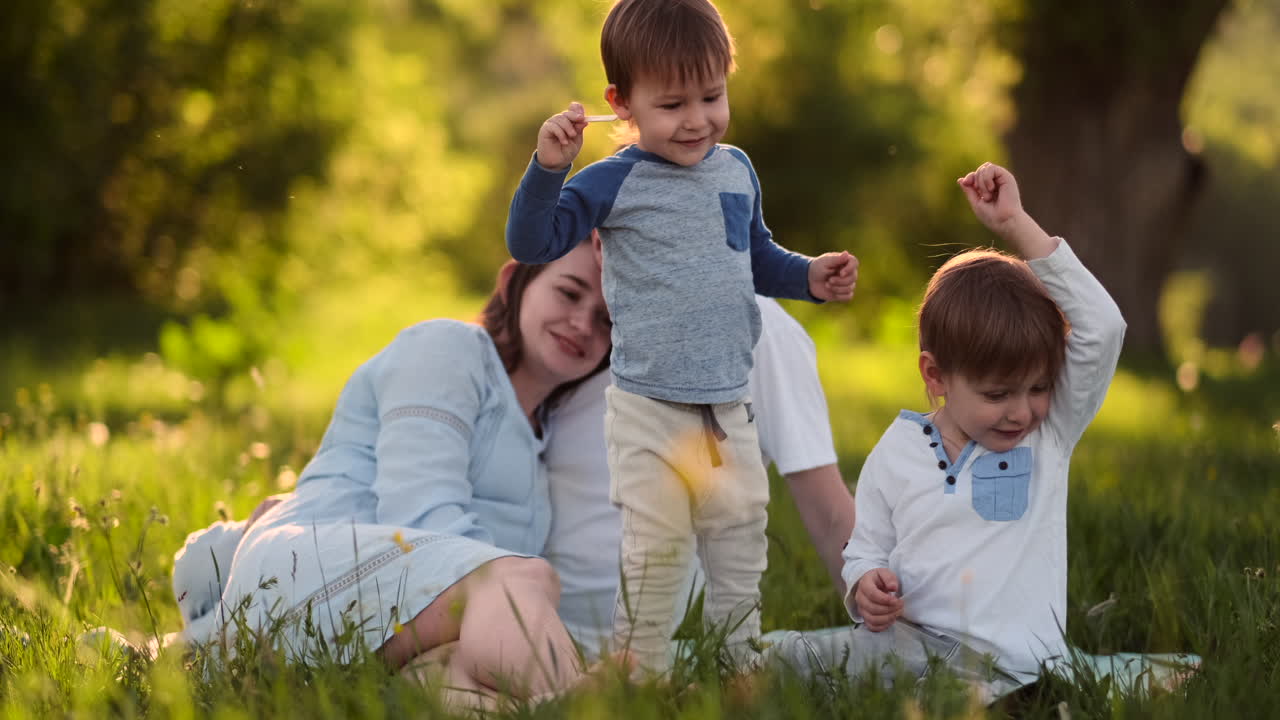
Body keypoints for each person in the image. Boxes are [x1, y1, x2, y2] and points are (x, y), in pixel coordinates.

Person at [505, 0, 857, 670]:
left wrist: (810, 277)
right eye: (672, 105)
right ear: (623, 102)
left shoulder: (735, 170)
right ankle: (640, 671)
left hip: (727, 409)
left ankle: (735, 664)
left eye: (712, 96)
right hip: (648, 411)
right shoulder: (613, 181)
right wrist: (549, 169)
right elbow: (533, 242)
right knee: (657, 547)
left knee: (739, 540)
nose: (697, 120)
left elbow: (756, 257)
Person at [179, 239, 612, 703]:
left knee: (468, 687)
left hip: (392, 631)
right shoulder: (448, 348)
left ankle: (555, 704)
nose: (583, 323)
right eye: (569, 293)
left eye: (607, 319)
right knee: (520, 579)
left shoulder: (543, 452)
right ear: (512, 283)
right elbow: (418, 509)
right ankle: (586, 704)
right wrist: (510, 582)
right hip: (305, 575)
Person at [831, 162, 1127, 698]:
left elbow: (1104, 328)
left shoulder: (1049, 434)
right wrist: (864, 585)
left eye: (1037, 387)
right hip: (909, 647)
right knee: (806, 659)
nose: (1021, 411)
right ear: (936, 376)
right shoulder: (898, 450)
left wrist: (1015, 225)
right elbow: (866, 546)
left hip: (1017, 669)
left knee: (951, 695)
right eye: (997, 395)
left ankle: (1008, 702)